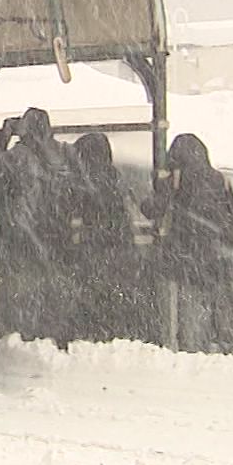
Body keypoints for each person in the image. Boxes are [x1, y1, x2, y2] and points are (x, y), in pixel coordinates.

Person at [142, 133, 233, 353]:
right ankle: (215, 347)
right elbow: (232, 216)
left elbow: (153, 208)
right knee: (211, 307)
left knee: (188, 309)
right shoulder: (220, 179)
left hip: (186, 256)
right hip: (216, 257)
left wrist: (155, 188)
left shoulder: (177, 179)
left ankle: (191, 351)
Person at [63, 132, 151, 343]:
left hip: (99, 249)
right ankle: (114, 334)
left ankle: (98, 335)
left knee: (97, 297)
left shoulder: (89, 181)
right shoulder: (114, 177)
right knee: (114, 298)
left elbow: (77, 209)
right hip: (118, 248)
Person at [0, 108, 70, 340]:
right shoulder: (58, 153)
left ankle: (25, 333)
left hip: (23, 228)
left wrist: (3, 136)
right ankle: (49, 331)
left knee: (22, 287)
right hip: (51, 229)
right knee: (45, 284)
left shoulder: (19, 156)